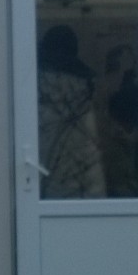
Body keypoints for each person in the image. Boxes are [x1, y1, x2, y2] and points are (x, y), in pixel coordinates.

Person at [36, 25, 106, 199]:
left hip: (40, 183)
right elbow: (95, 140)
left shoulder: (34, 91)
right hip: (83, 179)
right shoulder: (88, 92)